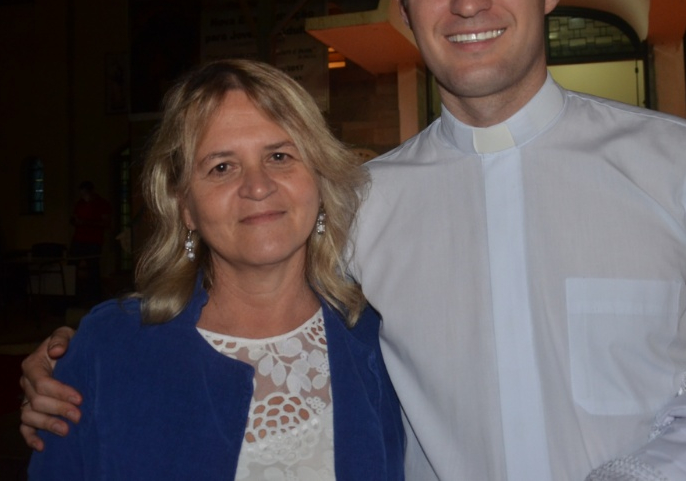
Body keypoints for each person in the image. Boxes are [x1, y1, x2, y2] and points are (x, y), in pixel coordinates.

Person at [21, 0, 686, 480]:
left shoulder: (681, 167)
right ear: (406, 8)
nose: (467, 0)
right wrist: (77, 357)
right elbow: (245, 293)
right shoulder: (364, 202)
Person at [26, 59, 404, 480]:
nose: (257, 186)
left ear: (318, 179)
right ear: (185, 205)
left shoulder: (381, 339)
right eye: (222, 167)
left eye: (279, 156)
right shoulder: (110, 348)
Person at [69, 180, 112, 302]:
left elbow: (106, 223)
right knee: (72, 268)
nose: (84, 197)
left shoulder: (102, 204)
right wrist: (74, 221)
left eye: (85, 194)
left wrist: (85, 223)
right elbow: (74, 218)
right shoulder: (80, 203)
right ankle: (72, 296)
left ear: (91, 192)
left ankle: (94, 298)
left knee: (93, 269)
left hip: (93, 241)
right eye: (82, 194)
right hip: (78, 240)